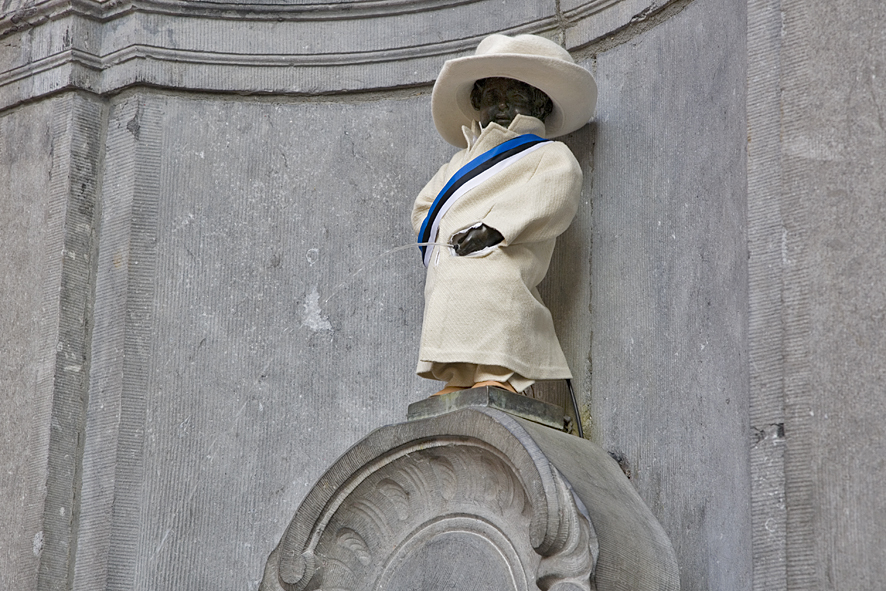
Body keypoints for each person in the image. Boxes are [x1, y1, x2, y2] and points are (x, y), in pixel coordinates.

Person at [412, 33, 597, 396]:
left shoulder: (547, 155)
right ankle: (460, 375)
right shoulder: (457, 163)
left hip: (503, 253)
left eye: (514, 98)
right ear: (478, 103)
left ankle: (498, 371)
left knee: (497, 297)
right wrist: (439, 235)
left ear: (539, 105)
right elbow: (425, 205)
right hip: (453, 257)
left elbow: (552, 195)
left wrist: (497, 228)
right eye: (492, 98)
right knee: (452, 307)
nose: (501, 108)